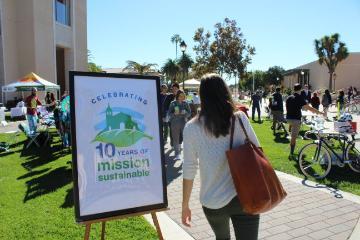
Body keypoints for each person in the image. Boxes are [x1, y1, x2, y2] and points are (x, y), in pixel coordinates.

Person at [182, 74, 260, 240]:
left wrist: (185, 205)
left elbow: (189, 168)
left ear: (202, 96)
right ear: (225, 92)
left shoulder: (191, 128)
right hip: (246, 195)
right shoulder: (239, 118)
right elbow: (258, 150)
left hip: (213, 200)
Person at [286, 84, 325, 159]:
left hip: (289, 119)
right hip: (295, 120)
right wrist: (320, 113)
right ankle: (291, 153)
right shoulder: (299, 98)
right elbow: (309, 108)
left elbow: (289, 108)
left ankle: (292, 149)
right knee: (293, 137)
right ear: (300, 90)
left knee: (293, 136)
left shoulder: (289, 97)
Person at [168, 90, 191, 160]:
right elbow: (169, 114)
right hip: (174, 122)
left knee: (186, 138)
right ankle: (177, 154)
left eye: (183, 96)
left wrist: (185, 113)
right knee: (175, 139)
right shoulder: (173, 103)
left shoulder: (186, 103)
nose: (182, 97)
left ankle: (186, 155)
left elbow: (189, 113)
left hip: (183, 122)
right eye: (180, 96)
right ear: (177, 96)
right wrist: (174, 114)